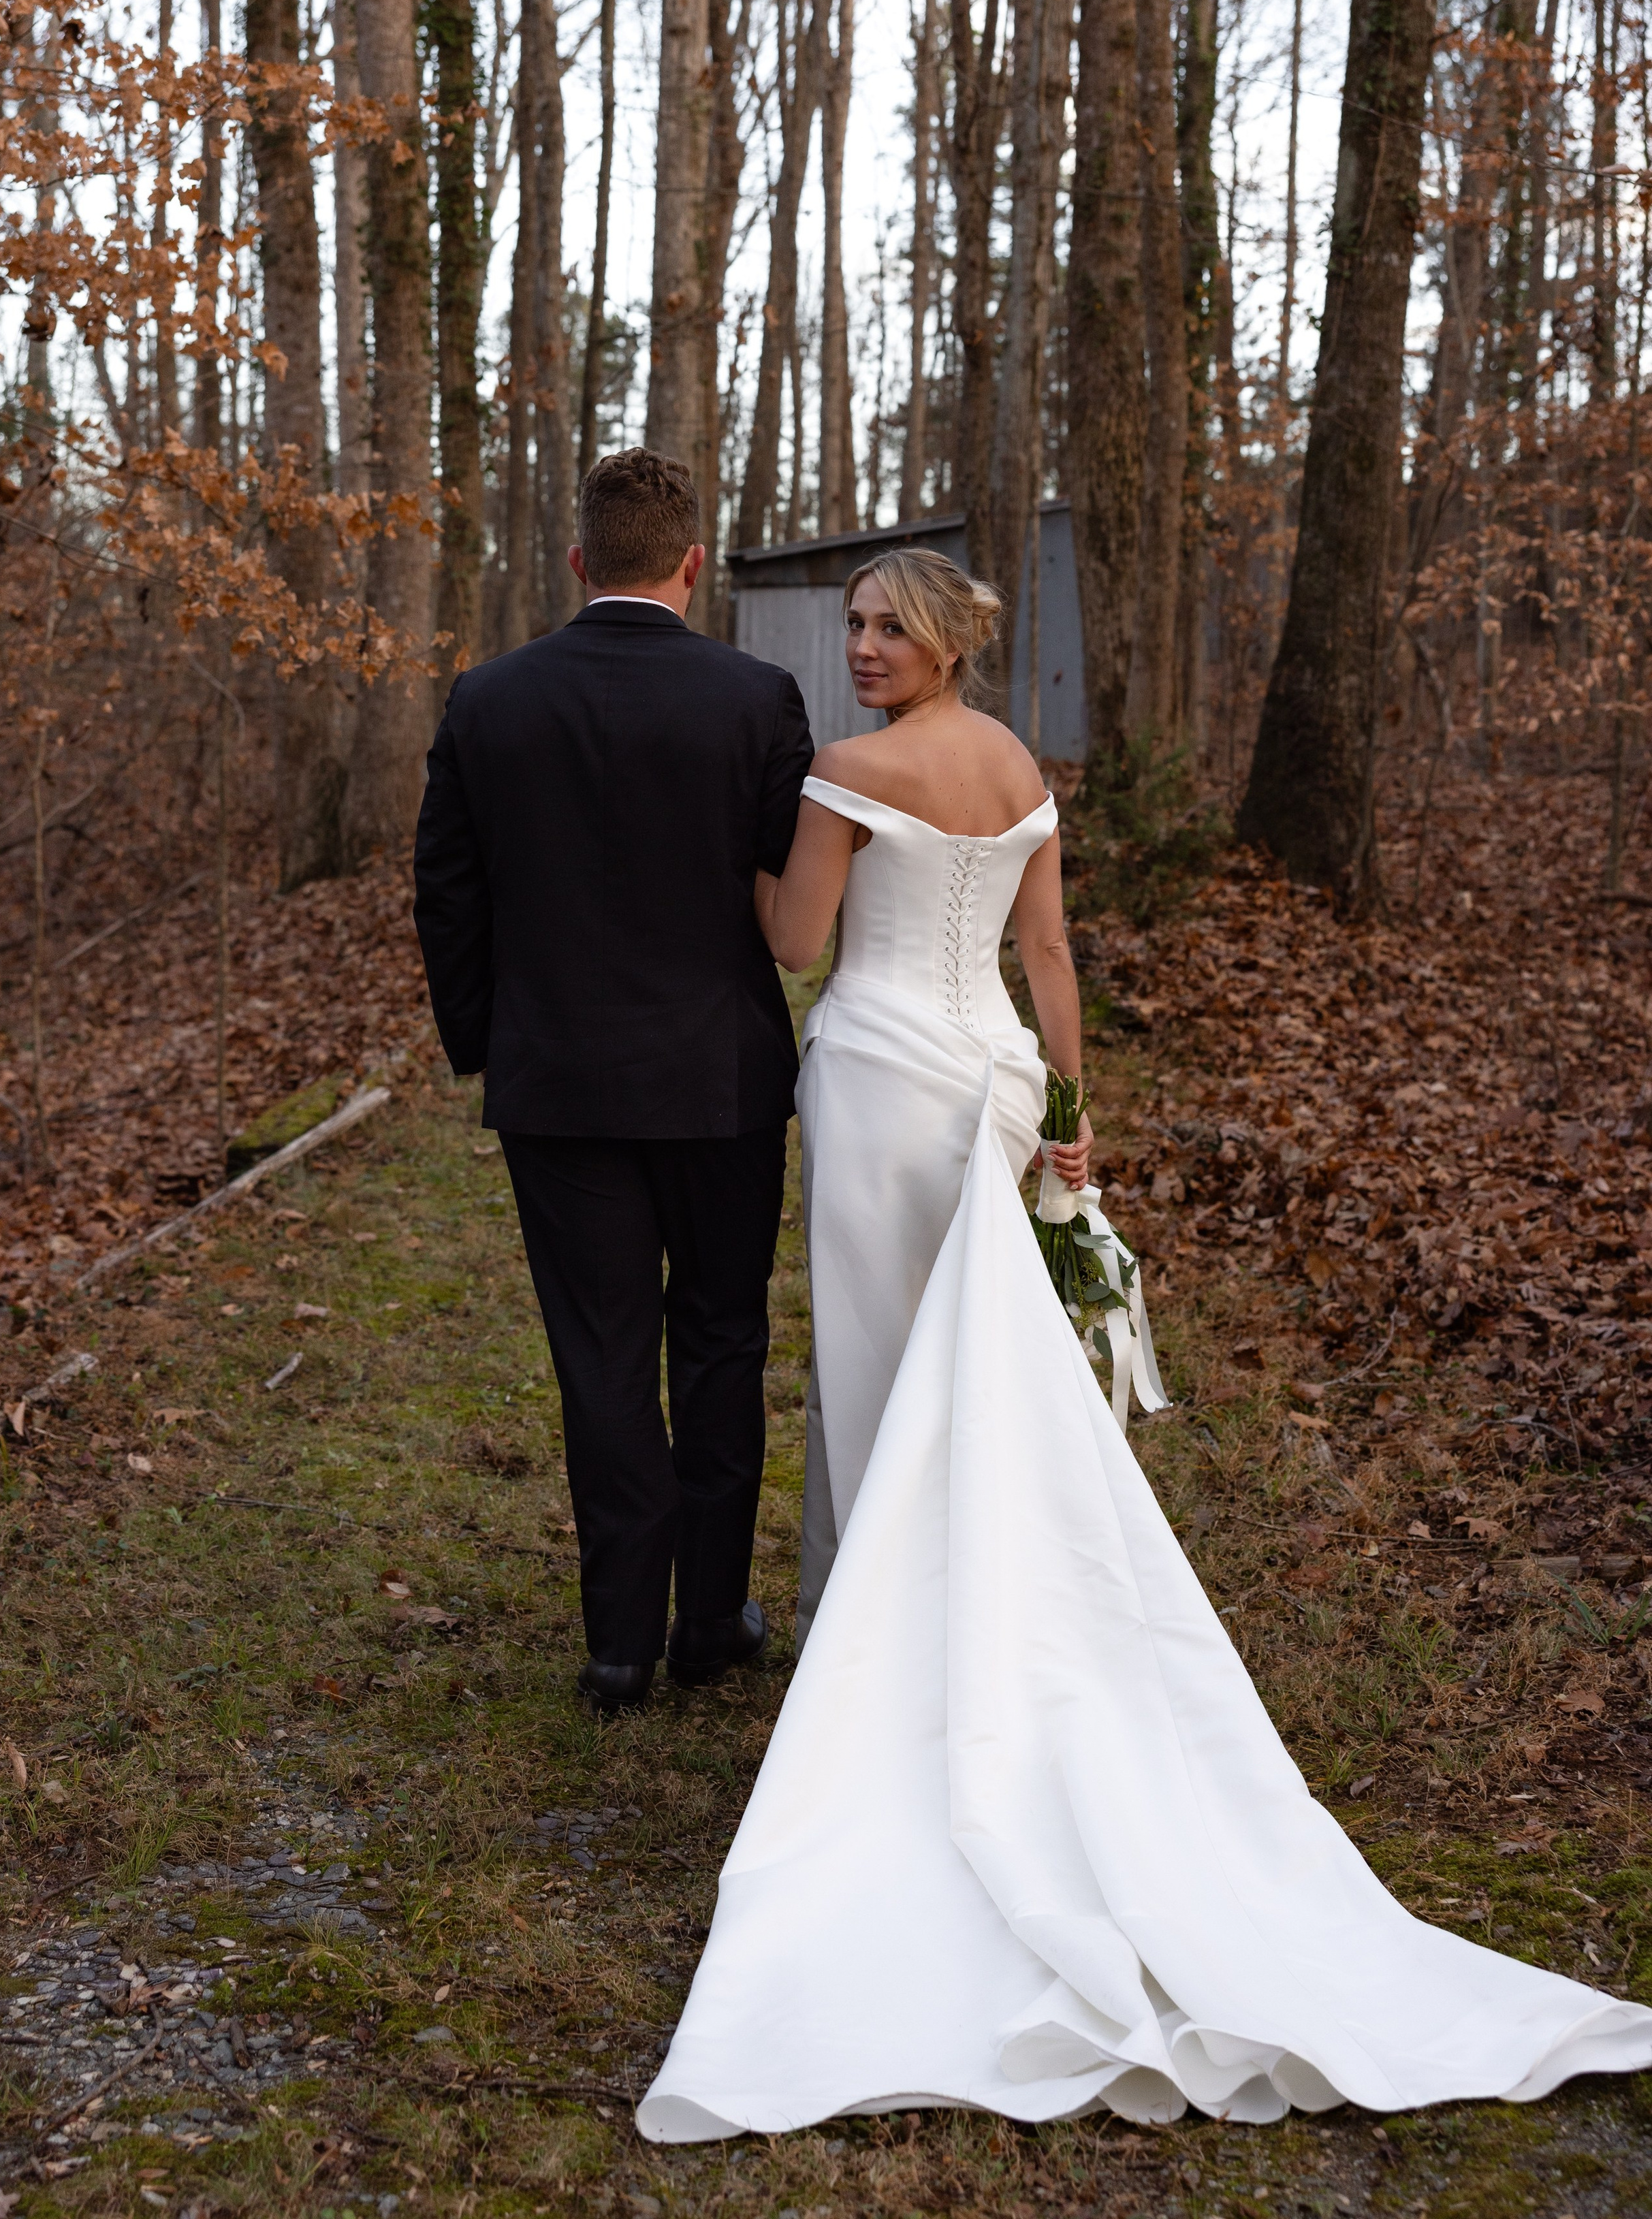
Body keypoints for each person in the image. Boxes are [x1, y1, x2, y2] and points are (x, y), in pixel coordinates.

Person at [637, 547, 1652, 2141]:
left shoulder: (841, 772)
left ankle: (871, 1649)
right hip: (984, 1080)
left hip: (880, 1082)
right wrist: (1070, 1122)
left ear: (948, 640)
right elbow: (1045, 959)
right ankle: (970, 1616)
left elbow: (791, 942)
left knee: (876, 1364)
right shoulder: (1017, 770)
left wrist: (724, 854)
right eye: (852, 625)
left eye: (887, 625)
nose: (861, 647)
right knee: (977, 1368)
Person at [413, 448, 813, 1716]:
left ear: (580, 561)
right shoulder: (759, 699)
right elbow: (784, 897)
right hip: (723, 1083)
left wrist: (490, 1043)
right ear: (693, 563)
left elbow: (446, 893)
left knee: (601, 1353)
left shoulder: (489, 700)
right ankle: (709, 1622)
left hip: (560, 1087)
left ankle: (620, 1643)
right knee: (720, 1338)